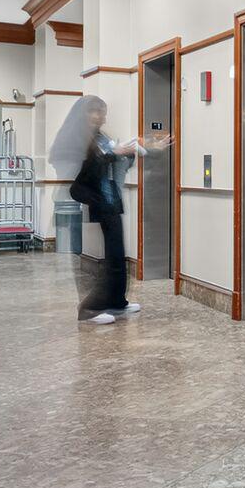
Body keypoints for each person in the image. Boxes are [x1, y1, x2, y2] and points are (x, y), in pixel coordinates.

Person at [50, 95, 171, 325]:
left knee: (117, 255)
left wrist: (145, 148)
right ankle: (88, 309)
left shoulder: (98, 137)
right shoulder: (76, 139)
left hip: (108, 202)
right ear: (83, 114)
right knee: (106, 258)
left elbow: (115, 158)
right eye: (95, 112)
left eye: (102, 112)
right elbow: (78, 169)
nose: (100, 117)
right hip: (89, 205)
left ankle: (117, 301)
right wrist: (110, 154)